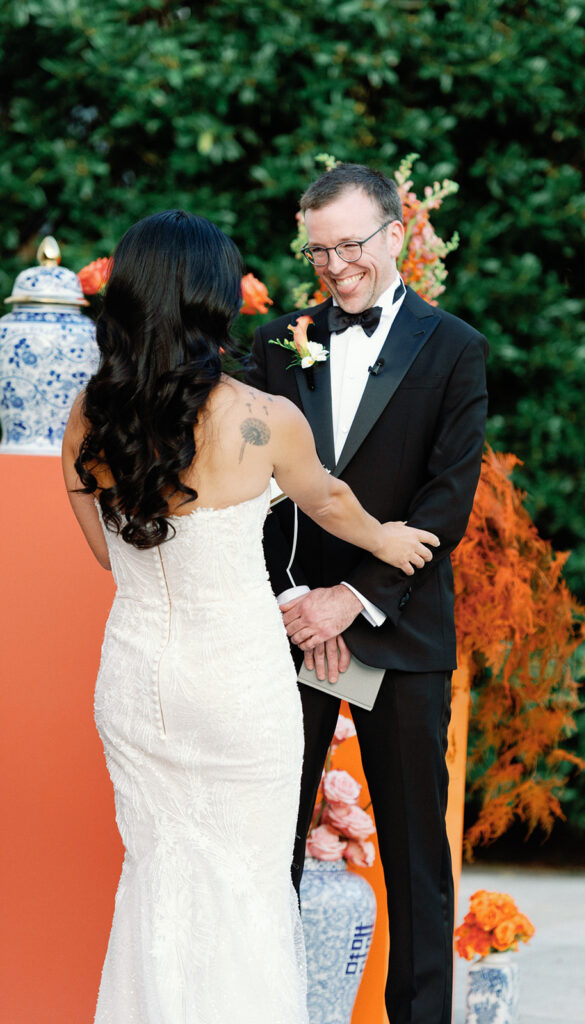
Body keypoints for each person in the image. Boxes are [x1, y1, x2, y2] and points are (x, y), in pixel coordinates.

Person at [61, 209, 438, 1024]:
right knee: (248, 894)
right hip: (236, 684)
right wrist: (389, 538)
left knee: (157, 883)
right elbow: (333, 503)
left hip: (135, 683)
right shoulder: (261, 417)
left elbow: (105, 551)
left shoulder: (89, 415)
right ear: (214, 301)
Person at [246, 164, 488, 1024]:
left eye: (350, 245)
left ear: (394, 233)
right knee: (264, 847)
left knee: (419, 856)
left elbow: (443, 505)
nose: (336, 266)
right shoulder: (276, 343)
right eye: (319, 251)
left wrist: (351, 601)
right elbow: (250, 488)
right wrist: (293, 600)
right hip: (286, 627)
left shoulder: (457, 348)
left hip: (399, 627)